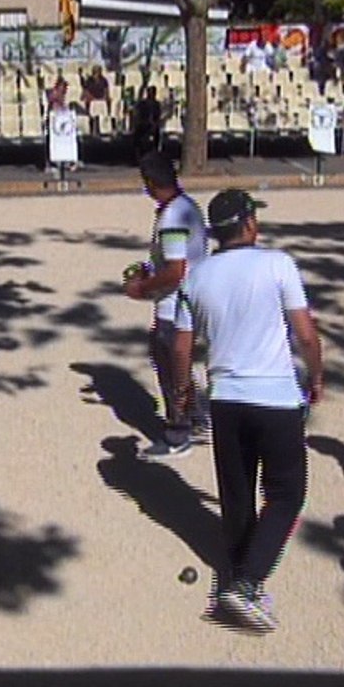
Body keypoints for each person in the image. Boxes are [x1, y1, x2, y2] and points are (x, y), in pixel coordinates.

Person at [184, 188, 324, 634]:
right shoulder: (277, 264)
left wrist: (183, 391)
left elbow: (182, 344)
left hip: (225, 397)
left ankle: (237, 568)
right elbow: (305, 335)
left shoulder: (196, 276)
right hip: (275, 397)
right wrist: (316, 376)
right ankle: (246, 584)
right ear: (249, 224)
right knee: (286, 493)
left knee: (237, 493)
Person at [122, 151, 209, 461]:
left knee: (170, 366)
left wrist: (141, 288)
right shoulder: (186, 206)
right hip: (190, 297)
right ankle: (196, 417)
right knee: (178, 363)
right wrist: (149, 267)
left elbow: (175, 270)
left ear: (150, 182)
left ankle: (177, 432)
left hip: (174, 303)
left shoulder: (171, 217)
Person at [130, 86, 163, 162]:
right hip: (143, 123)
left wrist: (155, 123)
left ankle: (155, 151)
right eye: (150, 92)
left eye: (153, 93)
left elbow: (157, 116)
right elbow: (138, 114)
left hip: (152, 124)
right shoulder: (142, 103)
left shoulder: (157, 104)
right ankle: (137, 154)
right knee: (137, 135)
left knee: (157, 133)